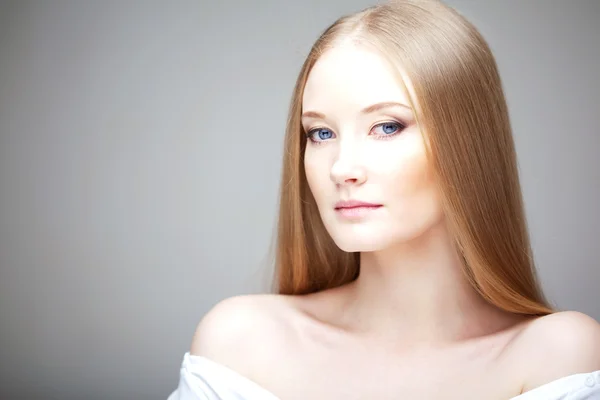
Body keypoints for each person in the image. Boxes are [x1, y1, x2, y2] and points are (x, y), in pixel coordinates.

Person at [168, 0, 600, 398]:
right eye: (321, 133)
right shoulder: (242, 343)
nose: (341, 167)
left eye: (388, 126)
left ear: (470, 143)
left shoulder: (557, 357)